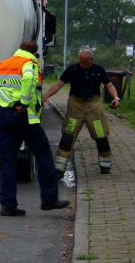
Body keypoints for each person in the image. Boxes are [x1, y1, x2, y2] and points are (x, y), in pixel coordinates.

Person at [0, 41, 70, 216]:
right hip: (22, 115)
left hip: (3, 115)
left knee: (8, 161)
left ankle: (8, 205)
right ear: (35, 53)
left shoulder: (3, 64)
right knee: (43, 154)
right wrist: (24, 102)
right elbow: (28, 79)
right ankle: (49, 199)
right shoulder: (29, 64)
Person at [42, 49, 120, 178]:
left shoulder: (98, 70)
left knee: (101, 136)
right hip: (75, 107)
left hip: (94, 107)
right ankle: (59, 170)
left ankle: (105, 165)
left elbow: (109, 86)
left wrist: (116, 98)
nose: (82, 64)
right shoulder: (72, 70)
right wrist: (47, 95)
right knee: (68, 137)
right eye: (81, 62)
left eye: (85, 62)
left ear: (92, 60)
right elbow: (58, 84)